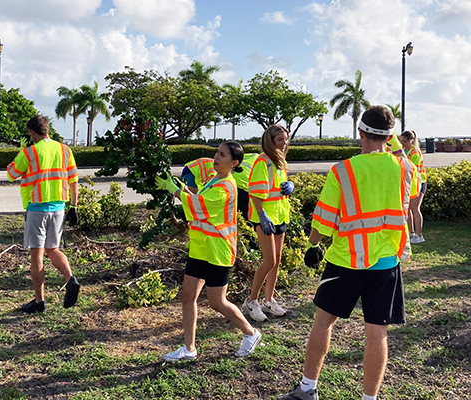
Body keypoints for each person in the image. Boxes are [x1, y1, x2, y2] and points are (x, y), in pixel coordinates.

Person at [278, 106, 420, 400]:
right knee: (377, 334)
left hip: (346, 261)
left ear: (360, 133)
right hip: (386, 263)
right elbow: (411, 184)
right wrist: (391, 142)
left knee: (323, 322)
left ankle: (307, 389)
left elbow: (324, 222)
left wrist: (312, 244)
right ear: (391, 135)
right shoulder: (406, 168)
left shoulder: (343, 170)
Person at [157, 141, 262, 362]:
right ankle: (189, 348)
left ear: (234, 163)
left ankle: (251, 333)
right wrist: (181, 188)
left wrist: (173, 190)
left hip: (218, 251)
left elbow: (199, 207)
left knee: (217, 302)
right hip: (200, 248)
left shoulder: (226, 187)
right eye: (217, 152)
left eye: (222, 155)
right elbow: (197, 198)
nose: (216, 157)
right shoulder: (212, 180)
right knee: (188, 297)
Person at [7, 115, 81, 313]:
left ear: (32, 132)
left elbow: (11, 173)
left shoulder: (30, 152)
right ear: (48, 129)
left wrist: (20, 156)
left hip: (37, 208)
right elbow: (74, 180)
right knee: (53, 249)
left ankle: (39, 302)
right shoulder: (65, 150)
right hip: (59, 207)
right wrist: (74, 206)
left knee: (37, 254)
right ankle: (70, 279)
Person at [242, 125, 294, 322]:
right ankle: (251, 301)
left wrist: (291, 186)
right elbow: (255, 192)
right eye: (280, 139)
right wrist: (262, 216)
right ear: (270, 141)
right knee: (269, 260)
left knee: (277, 260)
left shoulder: (281, 162)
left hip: (279, 216)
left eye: (286, 139)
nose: (284, 143)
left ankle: (269, 300)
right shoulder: (262, 162)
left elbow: (279, 188)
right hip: (265, 218)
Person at [400, 130, 427, 243]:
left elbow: (412, 168)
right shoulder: (405, 150)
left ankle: (419, 235)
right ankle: (411, 233)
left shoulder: (414, 152)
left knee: (415, 208)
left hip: (419, 182)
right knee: (408, 208)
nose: (402, 144)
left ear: (411, 140)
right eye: (401, 141)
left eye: (405, 141)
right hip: (410, 182)